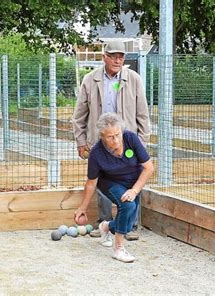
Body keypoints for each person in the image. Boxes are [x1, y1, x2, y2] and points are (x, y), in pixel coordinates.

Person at [72, 40, 151, 241]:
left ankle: (130, 225)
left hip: (127, 141)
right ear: (104, 56)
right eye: (113, 56)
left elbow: (143, 113)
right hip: (100, 140)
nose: (118, 60)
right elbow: (79, 115)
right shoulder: (90, 80)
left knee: (134, 177)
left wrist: (141, 141)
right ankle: (104, 221)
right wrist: (81, 141)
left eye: (121, 57)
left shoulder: (133, 79)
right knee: (101, 180)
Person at [74, 113, 154, 262]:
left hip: (132, 183)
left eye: (118, 134)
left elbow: (149, 168)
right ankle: (118, 249)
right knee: (128, 205)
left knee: (128, 224)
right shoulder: (96, 153)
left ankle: (106, 226)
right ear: (102, 137)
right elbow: (91, 183)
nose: (116, 140)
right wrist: (82, 208)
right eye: (110, 137)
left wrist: (134, 190)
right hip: (110, 182)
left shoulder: (130, 138)